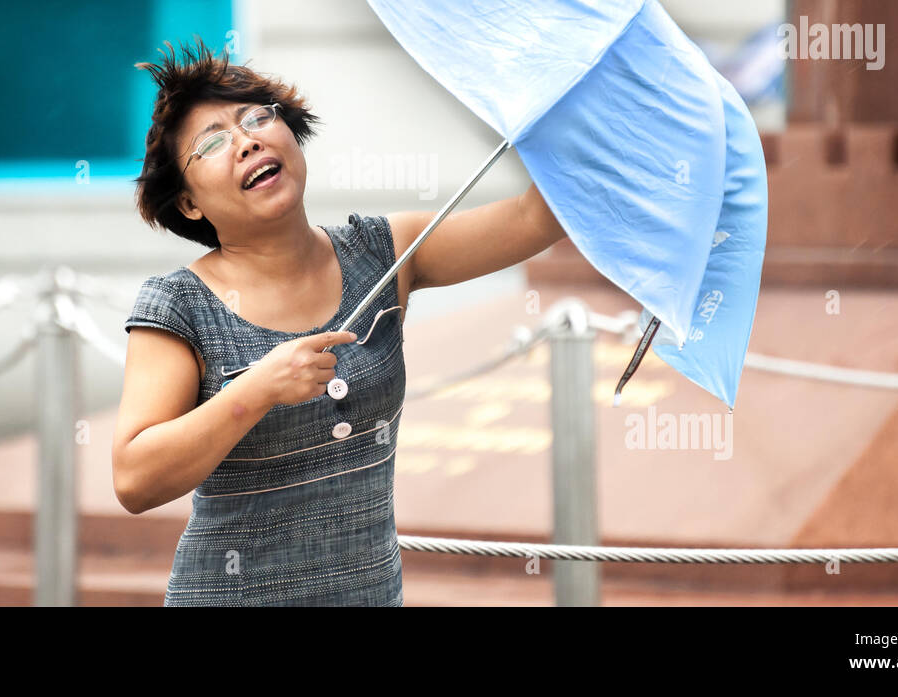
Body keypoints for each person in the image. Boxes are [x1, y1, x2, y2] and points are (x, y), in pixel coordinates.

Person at [113, 36, 566, 606]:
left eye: (256, 118)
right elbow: (134, 478)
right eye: (213, 143)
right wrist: (256, 390)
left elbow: (534, 219)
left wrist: (571, 101)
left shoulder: (385, 251)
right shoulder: (179, 304)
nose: (248, 141)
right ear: (188, 204)